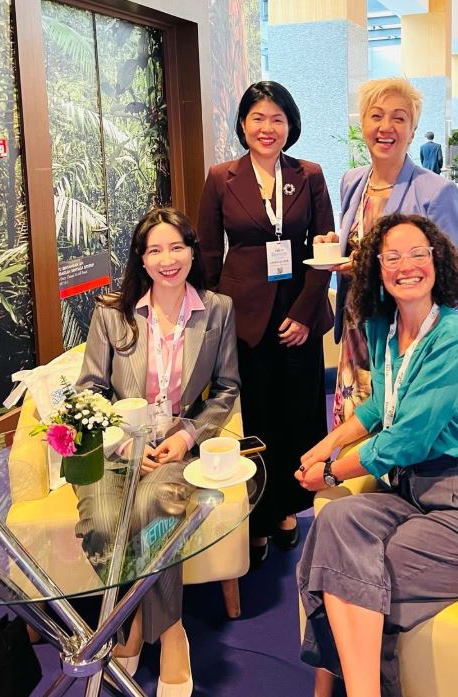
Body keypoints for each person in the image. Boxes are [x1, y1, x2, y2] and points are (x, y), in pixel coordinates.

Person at [295, 213, 458, 697]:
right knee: (335, 526)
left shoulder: (454, 337)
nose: (407, 266)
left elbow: (407, 439)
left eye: (418, 253)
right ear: (376, 269)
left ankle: (349, 689)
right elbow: (382, 405)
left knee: (349, 571)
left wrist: (332, 473)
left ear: (437, 261)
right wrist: (327, 443)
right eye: (393, 257)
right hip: (415, 492)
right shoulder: (383, 328)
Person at [76, 207, 240, 697]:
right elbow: (90, 389)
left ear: (192, 251)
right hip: (115, 450)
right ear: (141, 259)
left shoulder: (217, 309)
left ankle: (169, 634)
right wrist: (123, 439)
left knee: (156, 511)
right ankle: (140, 621)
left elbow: (226, 389)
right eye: (155, 250)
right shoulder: (112, 312)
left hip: (174, 448)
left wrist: (186, 437)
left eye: (176, 247)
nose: (168, 260)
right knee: (104, 524)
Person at [197, 81, 334, 566]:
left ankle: (288, 507)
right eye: (258, 118)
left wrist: (305, 312)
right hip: (244, 316)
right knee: (254, 416)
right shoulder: (222, 177)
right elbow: (208, 253)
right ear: (243, 124)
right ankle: (256, 513)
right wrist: (215, 314)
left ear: (290, 125)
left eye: (277, 118)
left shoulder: (308, 174)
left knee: (298, 412)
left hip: (299, 310)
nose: (267, 128)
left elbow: (325, 249)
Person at [313, 77, 458, 427]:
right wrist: (334, 244)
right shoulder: (353, 181)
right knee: (353, 430)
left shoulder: (436, 191)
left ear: (413, 130)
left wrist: (445, 349)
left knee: (397, 433)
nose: (386, 127)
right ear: (363, 124)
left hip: (405, 336)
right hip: (356, 330)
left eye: (399, 118)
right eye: (376, 115)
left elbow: (452, 279)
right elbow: (360, 240)